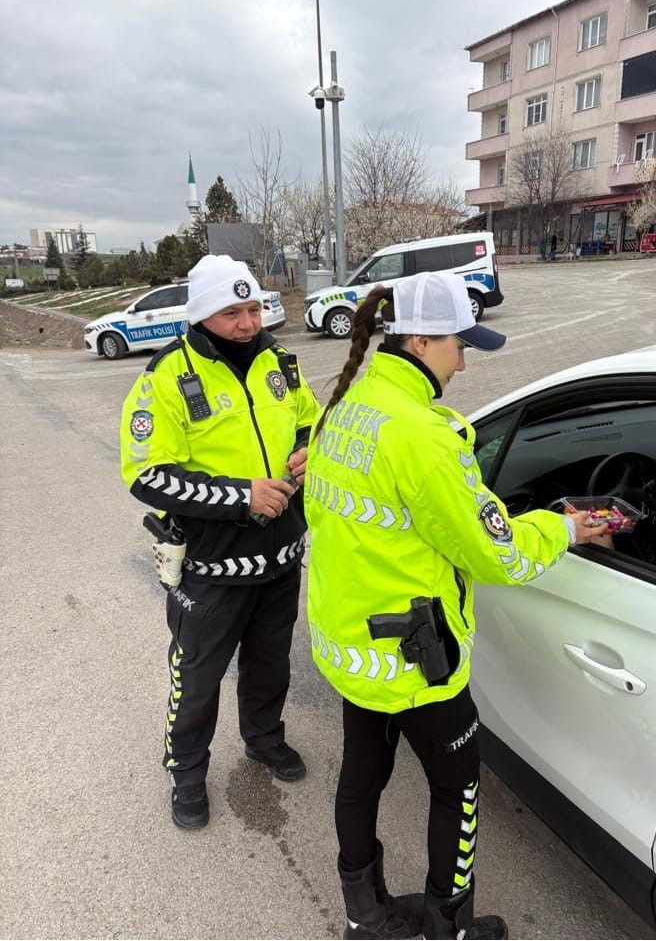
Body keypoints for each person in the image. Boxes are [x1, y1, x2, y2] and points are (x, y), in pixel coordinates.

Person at [303, 271, 608, 940]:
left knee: (361, 777)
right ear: (419, 339)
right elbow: (496, 554)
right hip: (419, 661)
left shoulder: (348, 405)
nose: (464, 359)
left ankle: (366, 914)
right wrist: (566, 527)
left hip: (354, 648)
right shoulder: (426, 436)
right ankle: (452, 927)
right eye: (458, 343)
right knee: (458, 787)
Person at [120, 254, 319, 830]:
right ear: (203, 315)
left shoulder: (281, 361)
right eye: (232, 311)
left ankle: (264, 739)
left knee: (269, 664)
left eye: (253, 307)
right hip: (210, 569)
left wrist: (311, 447)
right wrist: (241, 496)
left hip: (281, 557)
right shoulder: (165, 378)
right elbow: (145, 473)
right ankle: (186, 773)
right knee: (197, 678)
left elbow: (310, 417)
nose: (248, 322)